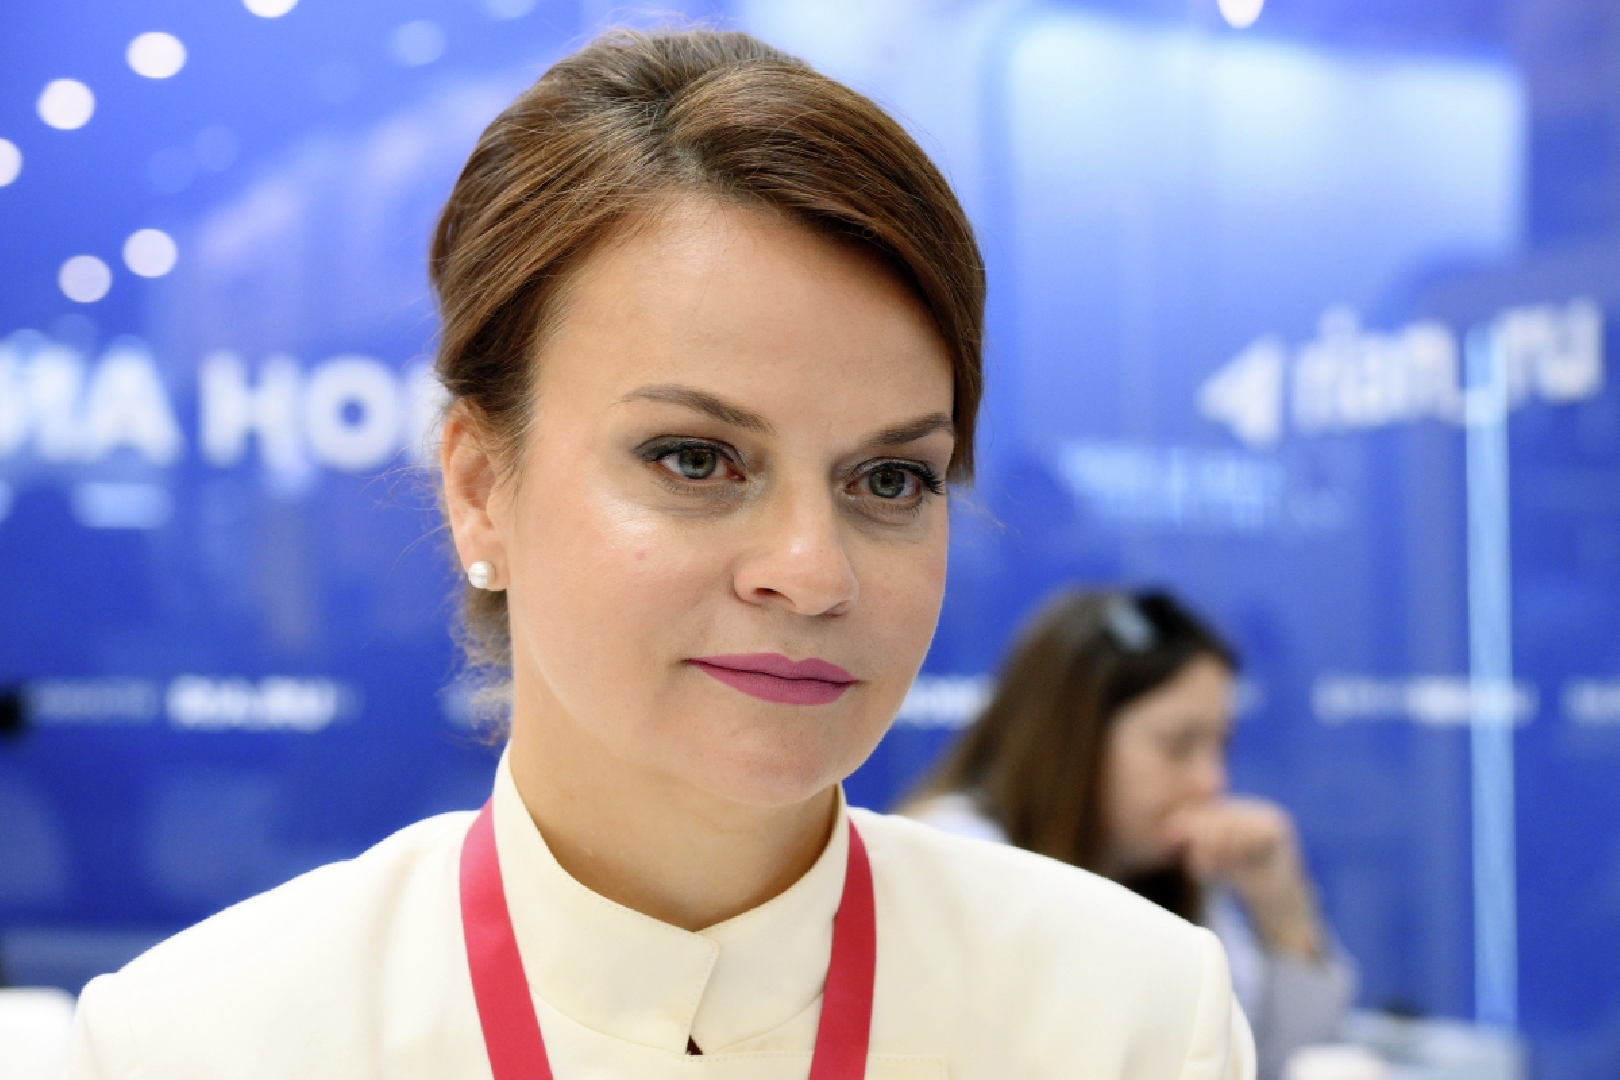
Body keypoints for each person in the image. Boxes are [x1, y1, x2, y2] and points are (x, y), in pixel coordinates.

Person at [66, 31, 1254, 1079]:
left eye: (890, 479)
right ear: (479, 489)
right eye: (695, 459)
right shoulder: (203, 1046)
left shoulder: (1129, 1022)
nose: (813, 571)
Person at [906, 590, 1354, 1080]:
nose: (1212, 782)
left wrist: (1284, 914)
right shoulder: (956, 862)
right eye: (1178, 746)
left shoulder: (1174, 870)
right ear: (1072, 741)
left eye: (1219, 746)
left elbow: (1282, 1063)